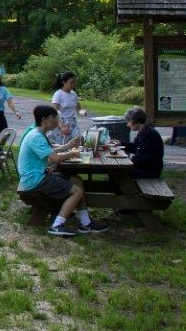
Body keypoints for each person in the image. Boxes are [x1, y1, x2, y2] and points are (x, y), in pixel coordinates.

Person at [18, 105, 105, 236]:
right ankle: (57, 225)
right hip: (34, 180)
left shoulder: (38, 133)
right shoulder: (36, 137)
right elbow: (56, 159)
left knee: (77, 181)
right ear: (45, 119)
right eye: (55, 118)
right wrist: (73, 153)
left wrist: (68, 146)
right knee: (77, 191)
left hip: (39, 175)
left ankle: (85, 223)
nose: (57, 121)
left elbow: (51, 150)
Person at [122, 106, 163, 179]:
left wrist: (130, 160)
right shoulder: (143, 131)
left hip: (149, 172)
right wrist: (120, 144)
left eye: (128, 122)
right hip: (142, 168)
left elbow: (151, 157)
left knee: (119, 171)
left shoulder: (150, 134)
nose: (127, 125)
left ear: (135, 121)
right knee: (118, 171)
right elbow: (135, 147)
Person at [50, 71, 84, 144]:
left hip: (72, 123)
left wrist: (83, 112)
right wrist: (61, 126)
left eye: (74, 82)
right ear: (64, 82)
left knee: (77, 142)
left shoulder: (73, 94)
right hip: (61, 123)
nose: (73, 84)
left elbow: (79, 109)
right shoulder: (58, 94)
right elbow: (54, 112)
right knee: (63, 146)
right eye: (71, 82)